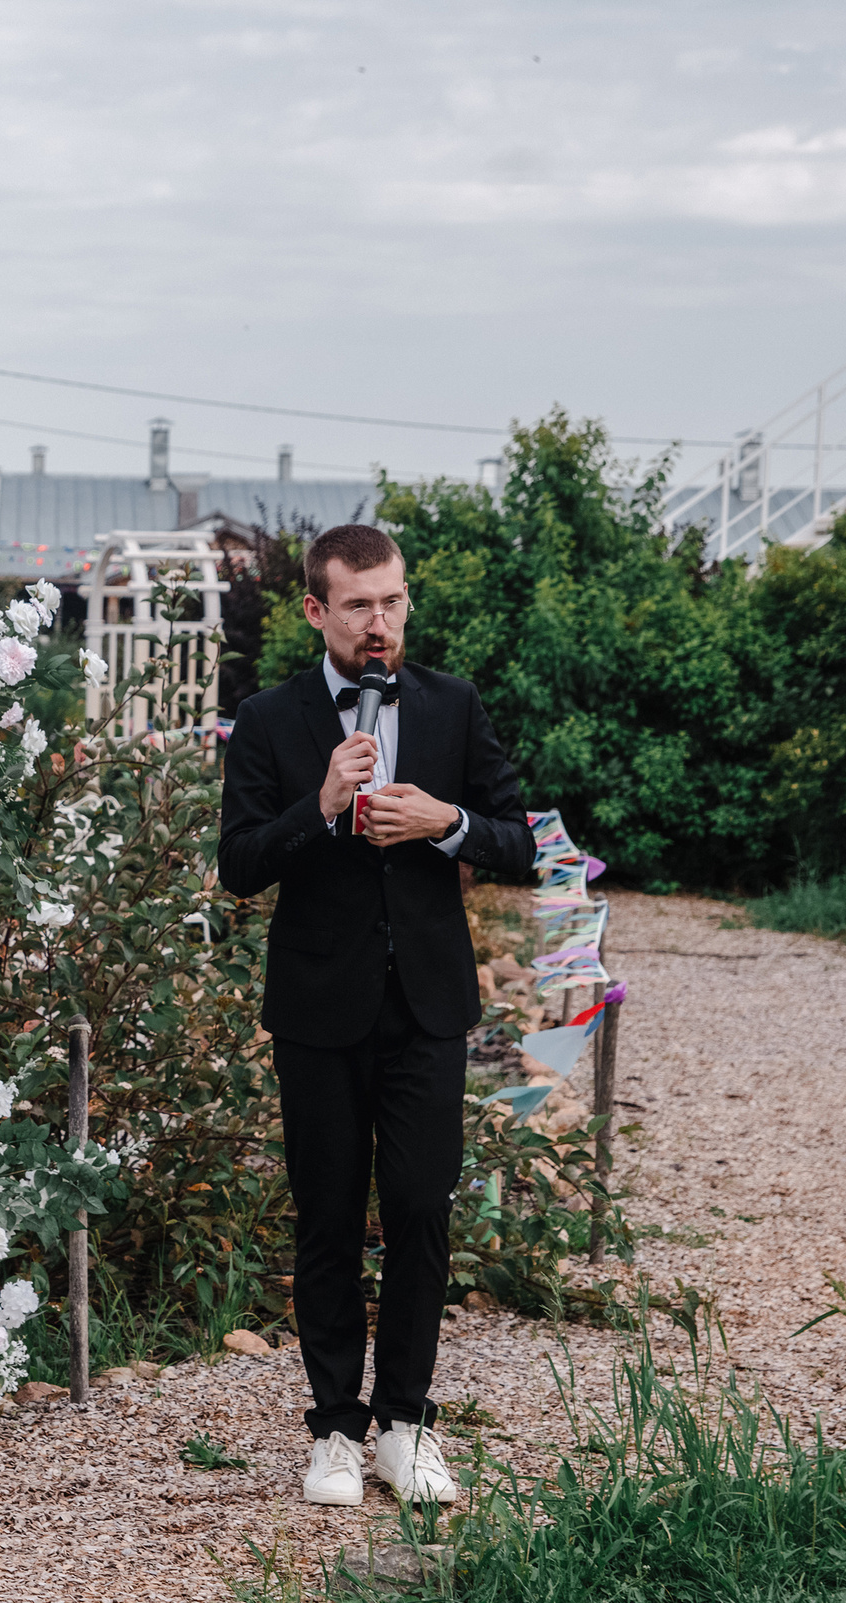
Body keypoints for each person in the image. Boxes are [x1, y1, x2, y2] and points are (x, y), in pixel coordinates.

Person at [217, 522, 534, 1509]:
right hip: (318, 1006)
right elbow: (237, 866)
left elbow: (521, 839)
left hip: (429, 1003)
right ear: (316, 609)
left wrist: (447, 825)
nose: (379, 621)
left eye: (392, 600)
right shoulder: (268, 718)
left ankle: (405, 1423)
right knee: (324, 1218)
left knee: (418, 1209)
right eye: (358, 604)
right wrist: (317, 805)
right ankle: (332, 1431)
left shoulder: (452, 705)